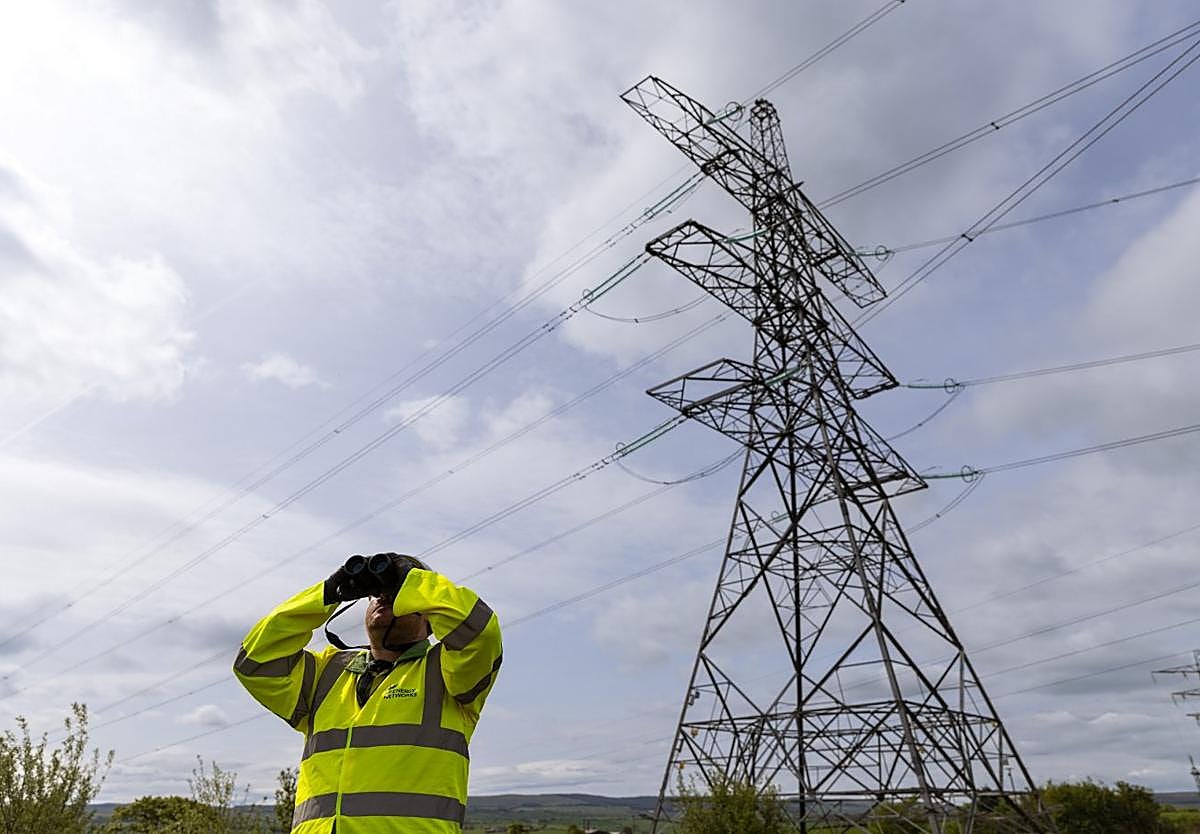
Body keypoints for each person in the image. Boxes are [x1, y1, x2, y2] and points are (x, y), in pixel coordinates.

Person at [234, 553, 502, 833]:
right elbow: (255, 661)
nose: (384, 598)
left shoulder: (447, 672)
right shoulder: (327, 672)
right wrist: (326, 594)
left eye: (397, 594)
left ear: (429, 615)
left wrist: (414, 581)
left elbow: (481, 634)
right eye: (377, 594)